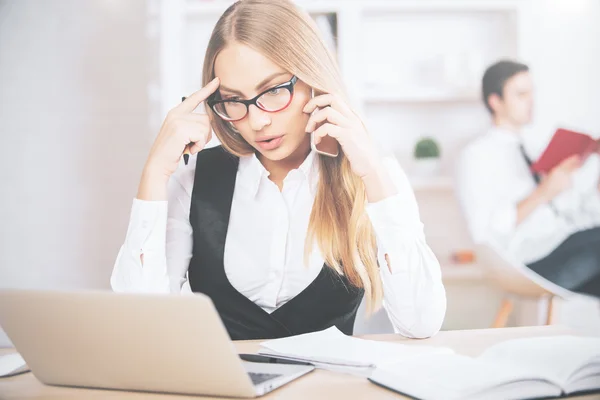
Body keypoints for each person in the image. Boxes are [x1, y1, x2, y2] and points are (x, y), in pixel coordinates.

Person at [110, 0, 446, 340]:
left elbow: (420, 323)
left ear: (312, 78)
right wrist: (154, 174)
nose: (257, 120)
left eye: (273, 91)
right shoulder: (193, 178)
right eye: (233, 99)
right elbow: (141, 328)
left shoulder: (371, 174)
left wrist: (373, 175)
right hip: (227, 391)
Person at [457, 60, 600, 298]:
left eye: (532, 92)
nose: (532, 101)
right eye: (522, 94)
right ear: (496, 102)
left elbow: (571, 216)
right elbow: (484, 233)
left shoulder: (535, 150)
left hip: (566, 244)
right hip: (526, 261)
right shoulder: (476, 156)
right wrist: (544, 193)